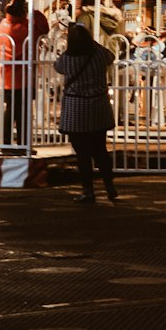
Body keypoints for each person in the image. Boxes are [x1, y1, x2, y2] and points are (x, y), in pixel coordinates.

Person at [56, 24, 117, 204]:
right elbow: (111, 57)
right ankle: (109, 185)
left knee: (82, 153)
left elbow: (57, 67)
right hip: (98, 107)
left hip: (77, 110)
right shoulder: (99, 55)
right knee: (100, 150)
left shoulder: (67, 59)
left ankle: (88, 190)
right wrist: (95, 44)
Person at [0, 0, 30, 147]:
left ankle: (8, 141)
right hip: (19, 75)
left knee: (12, 109)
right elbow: (41, 28)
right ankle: (20, 142)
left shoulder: (4, 23)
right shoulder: (21, 28)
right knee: (19, 111)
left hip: (8, 75)